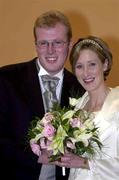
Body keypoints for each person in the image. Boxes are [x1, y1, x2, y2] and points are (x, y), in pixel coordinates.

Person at [0, 10, 85, 180]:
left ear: (70, 44)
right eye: (43, 43)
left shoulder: (81, 87)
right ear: (36, 45)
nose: (50, 50)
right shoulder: (6, 79)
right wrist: (38, 157)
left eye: (58, 42)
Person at [54, 36, 119, 179]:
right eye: (79, 66)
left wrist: (86, 163)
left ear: (105, 64)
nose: (86, 73)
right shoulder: (76, 109)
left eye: (92, 64)